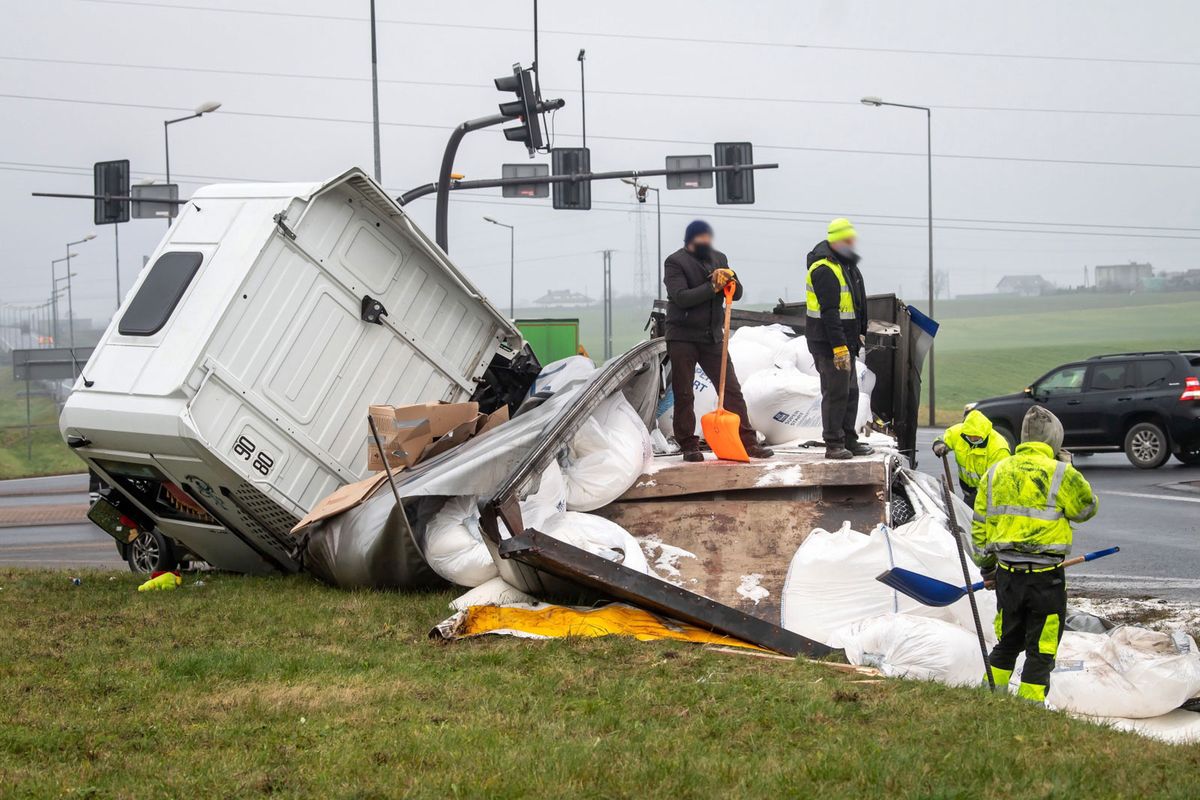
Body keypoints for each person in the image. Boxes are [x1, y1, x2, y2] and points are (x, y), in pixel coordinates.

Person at [972, 406, 1098, 703]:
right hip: (1045, 580)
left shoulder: (996, 471)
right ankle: (1030, 707)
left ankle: (987, 699)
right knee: (1041, 648)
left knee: (1008, 641)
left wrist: (987, 568)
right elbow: (1085, 509)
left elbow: (980, 526)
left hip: (1007, 576)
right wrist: (1071, 469)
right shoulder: (1061, 473)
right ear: (1055, 440)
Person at [663, 220, 773, 462]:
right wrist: (712, 285)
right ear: (689, 241)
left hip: (712, 337)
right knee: (684, 392)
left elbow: (737, 292)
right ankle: (689, 444)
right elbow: (681, 297)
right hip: (683, 337)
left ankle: (748, 442)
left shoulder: (719, 258)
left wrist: (731, 279)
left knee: (732, 390)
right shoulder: (675, 262)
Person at [805, 218, 871, 460]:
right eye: (848, 238)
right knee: (835, 393)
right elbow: (830, 312)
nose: (853, 242)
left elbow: (856, 304)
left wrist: (859, 333)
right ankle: (833, 444)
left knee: (850, 391)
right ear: (837, 240)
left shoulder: (847, 265)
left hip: (847, 341)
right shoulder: (824, 268)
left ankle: (848, 439)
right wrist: (839, 347)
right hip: (830, 344)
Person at [933, 409, 1012, 507]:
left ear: (984, 433)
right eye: (970, 437)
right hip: (968, 494)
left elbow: (997, 483)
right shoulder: (961, 432)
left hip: (990, 500)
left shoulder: (999, 448)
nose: (972, 440)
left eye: (976, 437)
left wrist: (977, 497)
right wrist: (939, 444)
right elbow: (943, 438)